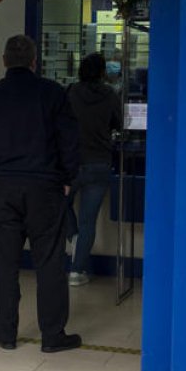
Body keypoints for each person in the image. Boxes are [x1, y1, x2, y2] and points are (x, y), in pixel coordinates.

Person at [0, 34, 82, 354]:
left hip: (2, 189)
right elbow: (70, 141)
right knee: (50, 264)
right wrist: (68, 178)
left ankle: (5, 333)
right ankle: (53, 335)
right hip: (45, 189)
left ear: (4, 61)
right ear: (35, 62)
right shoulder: (53, 94)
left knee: (5, 265)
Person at [65, 53, 124, 287]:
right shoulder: (110, 95)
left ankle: (74, 237)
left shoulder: (70, 92)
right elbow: (118, 124)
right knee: (88, 221)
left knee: (61, 206)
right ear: (103, 72)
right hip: (99, 163)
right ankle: (77, 271)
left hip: (72, 163)